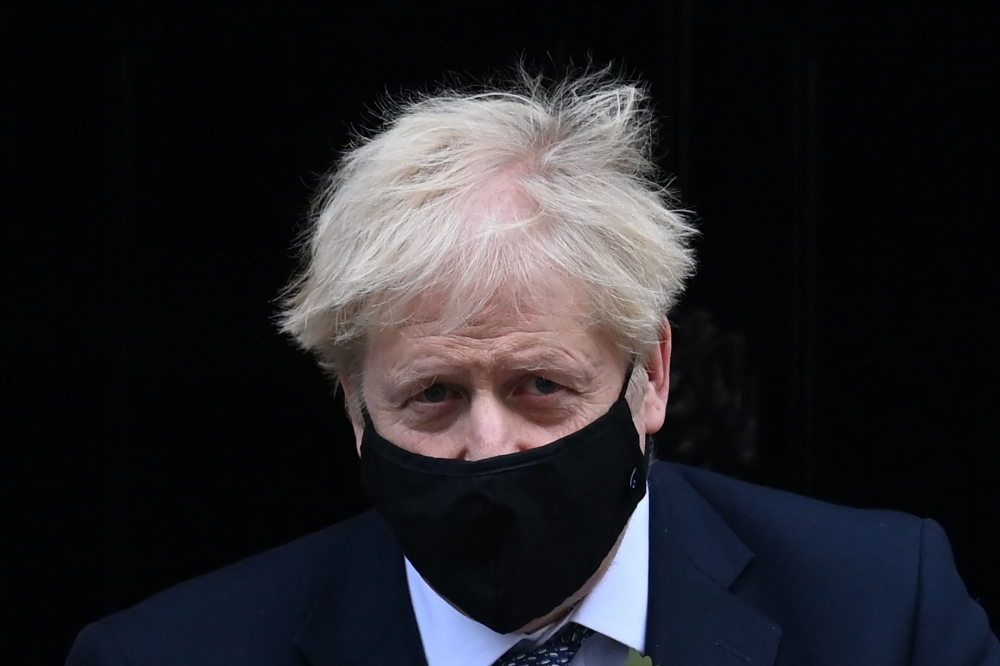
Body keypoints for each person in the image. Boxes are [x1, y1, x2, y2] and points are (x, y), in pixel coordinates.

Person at [67, 69, 999, 666]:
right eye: (433, 395)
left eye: (540, 386)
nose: (489, 445)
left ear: (652, 374)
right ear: (353, 407)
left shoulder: (884, 614)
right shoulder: (164, 653)